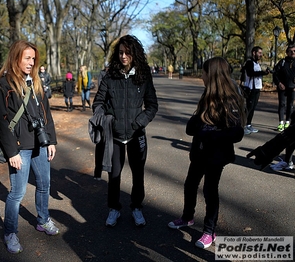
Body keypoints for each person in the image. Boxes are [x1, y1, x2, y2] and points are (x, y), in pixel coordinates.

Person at [167, 57, 246, 249]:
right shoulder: (207, 96)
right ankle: (187, 217)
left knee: (210, 191)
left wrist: (209, 133)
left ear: (211, 75)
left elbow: (236, 132)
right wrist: (198, 126)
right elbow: (194, 125)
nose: (201, 76)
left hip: (216, 157)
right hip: (199, 154)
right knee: (190, 184)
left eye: (203, 73)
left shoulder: (230, 99)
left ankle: (210, 231)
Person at [0, 40, 59, 254]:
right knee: (17, 193)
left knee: (44, 185)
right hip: (19, 148)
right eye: (27, 58)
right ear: (15, 58)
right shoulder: (3, 85)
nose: (31, 62)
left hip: (40, 144)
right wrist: (11, 151)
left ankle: (43, 219)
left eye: (33, 59)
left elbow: (46, 114)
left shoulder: (35, 82)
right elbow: (1, 121)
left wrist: (51, 140)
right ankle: (10, 232)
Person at [92, 35, 158, 227]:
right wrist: (103, 117)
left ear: (134, 53)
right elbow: (98, 102)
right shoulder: (109, 76)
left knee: (138, 174)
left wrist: (140, 122)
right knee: (114, 175)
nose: (123, 56)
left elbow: (152, 105)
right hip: (115, 136)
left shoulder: (144, 75)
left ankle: (136, 207)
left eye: (127, 52)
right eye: (120, 52)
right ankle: (114, 209)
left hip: (136, 135)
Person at [243, 46, 271, 135]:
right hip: (251, 89)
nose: (261, 55)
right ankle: (242, 126)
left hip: (257, 89)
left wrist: (264, 72)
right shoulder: (249, 63)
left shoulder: (256, 63)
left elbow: (257, 74)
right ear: (254, 53)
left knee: (252, 108)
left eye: (261, 53)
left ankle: (248, 124)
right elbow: (250, 73)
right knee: (248, 108)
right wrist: (262, 72)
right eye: (259, 53)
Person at [273, 44, 295, 132]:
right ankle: (281, 123)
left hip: (292, 88)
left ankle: (288, 122)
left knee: (290, 105)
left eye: (294, 51)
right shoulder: (282, 62)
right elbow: (275, 73)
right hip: (282, 87)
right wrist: (278, 83)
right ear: (287, 52)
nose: (293, 52)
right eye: (291, 51)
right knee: (282, 104)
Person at [93, 63, 109, 180]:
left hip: (112, 115)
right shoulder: (103, 75)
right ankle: (98, 171)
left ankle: (109, 170)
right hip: (103, 113)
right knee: (100, 143)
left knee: (110, 146)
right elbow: (99, 96)